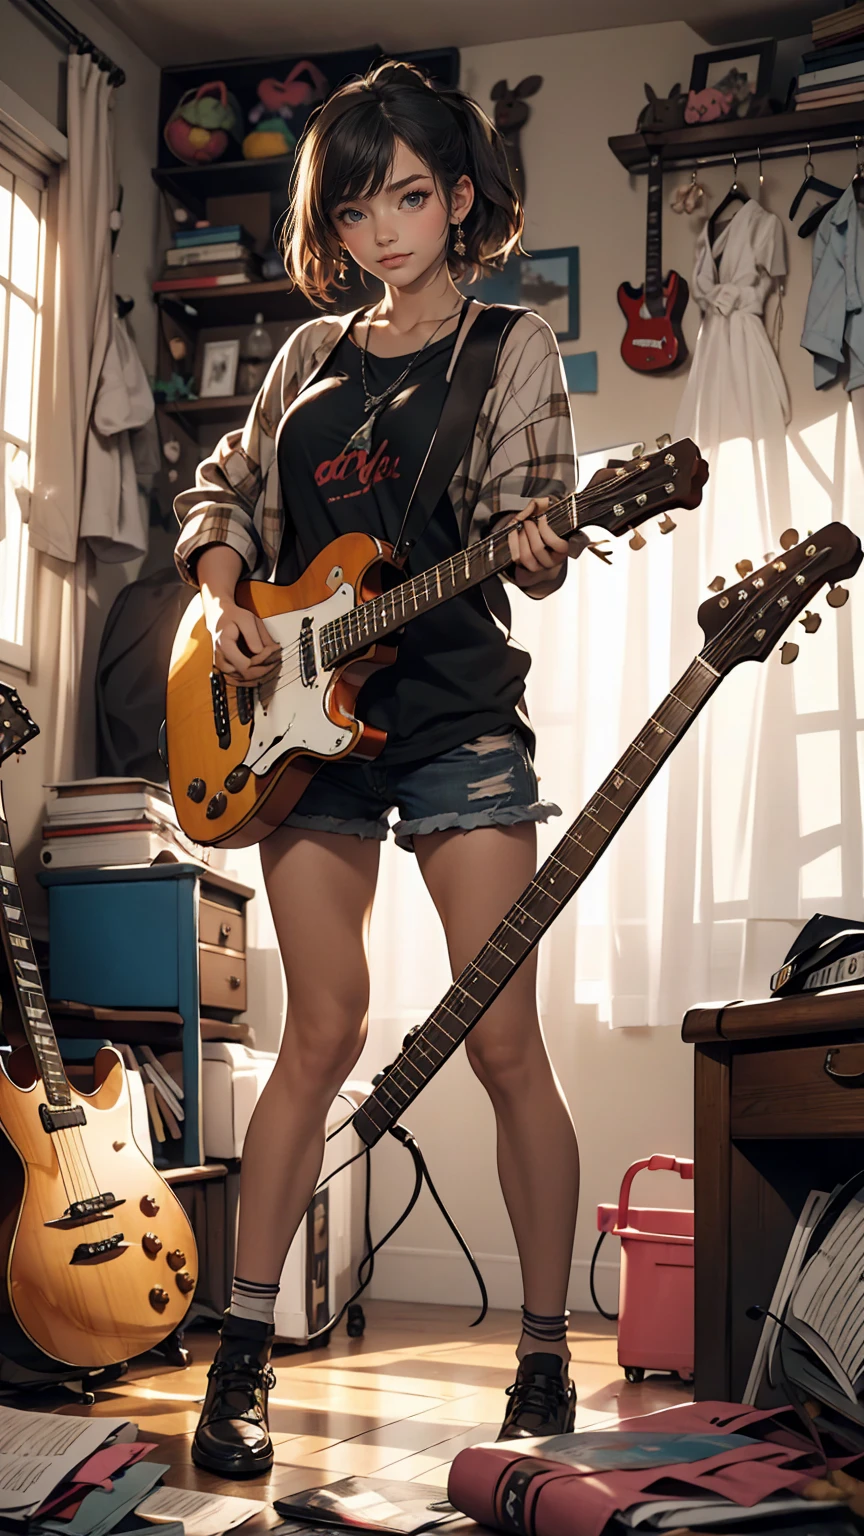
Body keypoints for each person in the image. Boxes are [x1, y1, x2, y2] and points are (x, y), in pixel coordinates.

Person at [174, 59, 582, 1477]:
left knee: (505, 1041)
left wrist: (532, 535)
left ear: (459, 197)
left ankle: (541, 1359)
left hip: (459, 710)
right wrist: (228, 592)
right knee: (322, 1033)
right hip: (303, 732)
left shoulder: (512, 347)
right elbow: (225, 488)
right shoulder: (305, 358)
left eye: (407, 199)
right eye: (355, 214)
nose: (384, 234)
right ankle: (240, 1359)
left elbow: (528, 516)